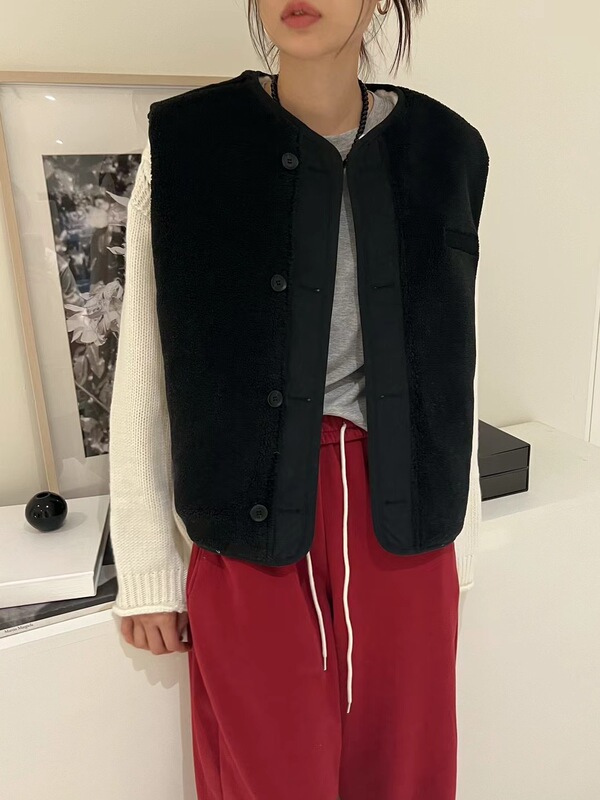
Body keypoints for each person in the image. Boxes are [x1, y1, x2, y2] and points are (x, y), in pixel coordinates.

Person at [108, 1, 489, 798]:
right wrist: (145, 567)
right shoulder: (188, 143)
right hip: (246, 520)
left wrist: (464, 541)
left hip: (405, 519)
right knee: (269, 777)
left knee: (408, 774)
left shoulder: (448, 149)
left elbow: (453, 359)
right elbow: (144, 359)